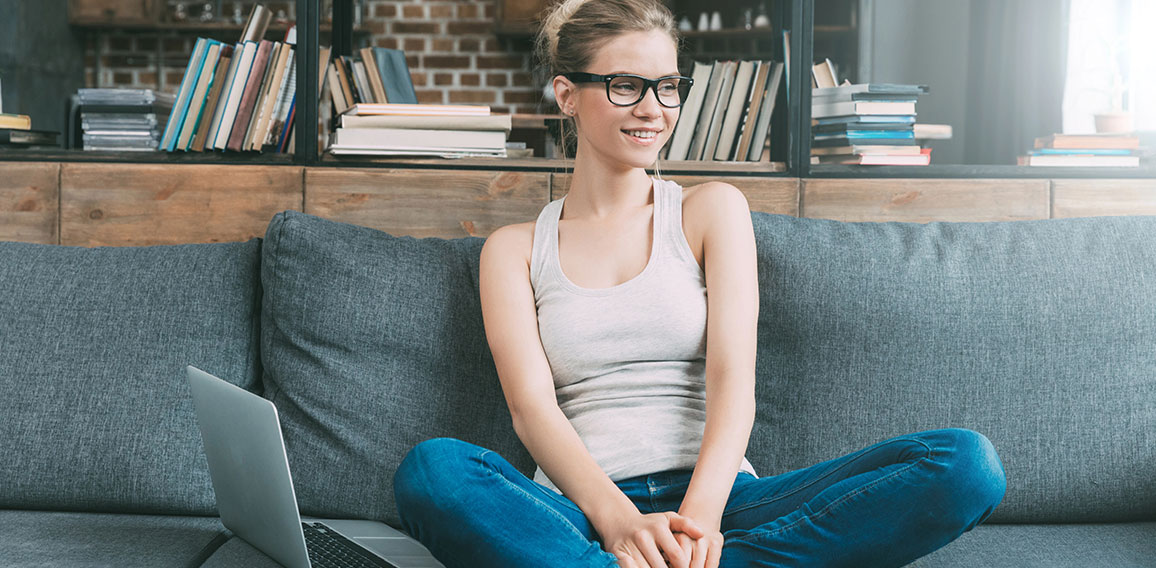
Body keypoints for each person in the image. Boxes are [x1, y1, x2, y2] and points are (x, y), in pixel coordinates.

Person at [393, 0, 1007, 566]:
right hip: (582, 514)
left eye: (667, 87)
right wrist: (620, 523)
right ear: (567, 95)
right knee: (432, 472)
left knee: (963, 465)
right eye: (625, 85)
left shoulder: (710, 210)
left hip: (724, 505)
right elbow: (532, 412)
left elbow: (732, 379)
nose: (652, 109)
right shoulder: (514, 250)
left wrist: (697, 526)